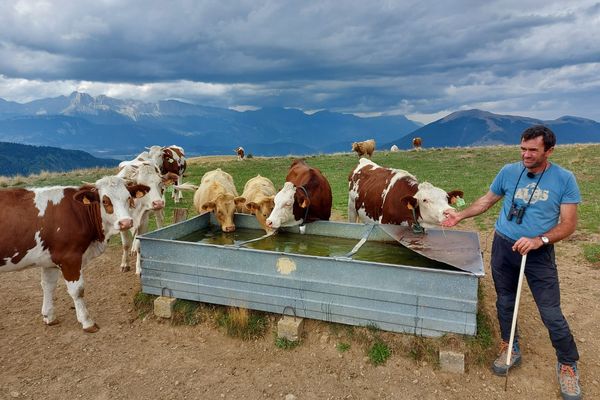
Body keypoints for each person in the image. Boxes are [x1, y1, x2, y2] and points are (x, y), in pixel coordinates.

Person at [441, 125, 582, 400]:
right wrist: (460, 216)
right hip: (504, 246)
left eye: (533, 150)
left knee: (550, 312)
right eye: (523, 149)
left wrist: (539, 240)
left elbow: (568, 225)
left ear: (549, 151)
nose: (526, 155)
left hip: (538, 253)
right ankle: (510, 346)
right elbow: (487, 200)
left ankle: (567, 364)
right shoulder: (508, 171)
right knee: (505, 300)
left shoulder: (564, 179)